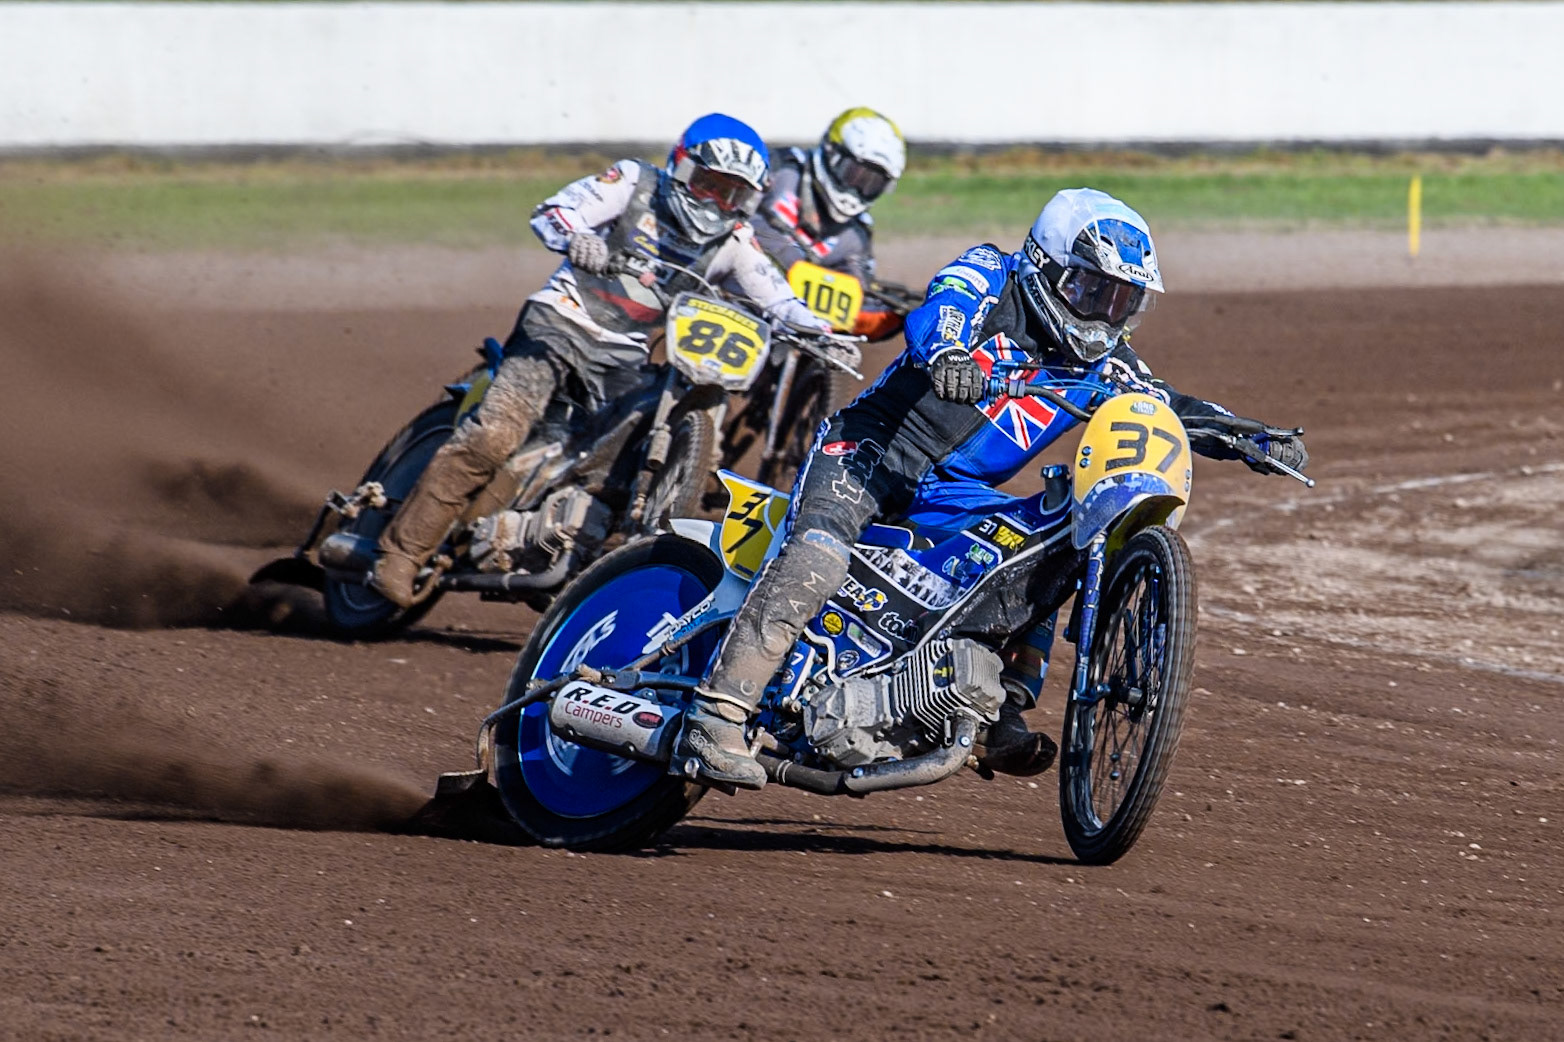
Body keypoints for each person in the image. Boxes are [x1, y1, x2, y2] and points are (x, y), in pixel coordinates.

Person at [675, 187, 1310, 789]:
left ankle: (1000, 703)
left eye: (1121, 302)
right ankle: (717, 715)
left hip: (954, 492)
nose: (1103, 314)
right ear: (1048, 267)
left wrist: (1252, 438)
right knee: (818, 553)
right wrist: (949, 354)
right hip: (872, 451)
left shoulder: (1103, 365)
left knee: (1048, 535)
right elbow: (940, 310)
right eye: (1093, 291)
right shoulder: (991, 273)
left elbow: (1169, 405)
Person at [370, 114, 828, 608]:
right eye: (709, 184)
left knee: (608, 464)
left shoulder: (735, 240)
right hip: (559, 324)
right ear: (681, 167)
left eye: (732, 194)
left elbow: (778, 296)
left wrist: (820, 333)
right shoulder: (634, 183)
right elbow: (554, 211)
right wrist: (576, 237)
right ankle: (401, 552)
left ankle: (572, 542)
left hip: (627, 357)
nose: (716, 202)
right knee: (493, 436)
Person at [749, 106, 908, 341]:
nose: (857, 189)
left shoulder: (857, 235)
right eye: (854, 174)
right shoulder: (782, 168)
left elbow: (857, 292)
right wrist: (793, 262)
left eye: (871, 183)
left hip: (788, 324)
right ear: (832, 153)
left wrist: (905, 312)